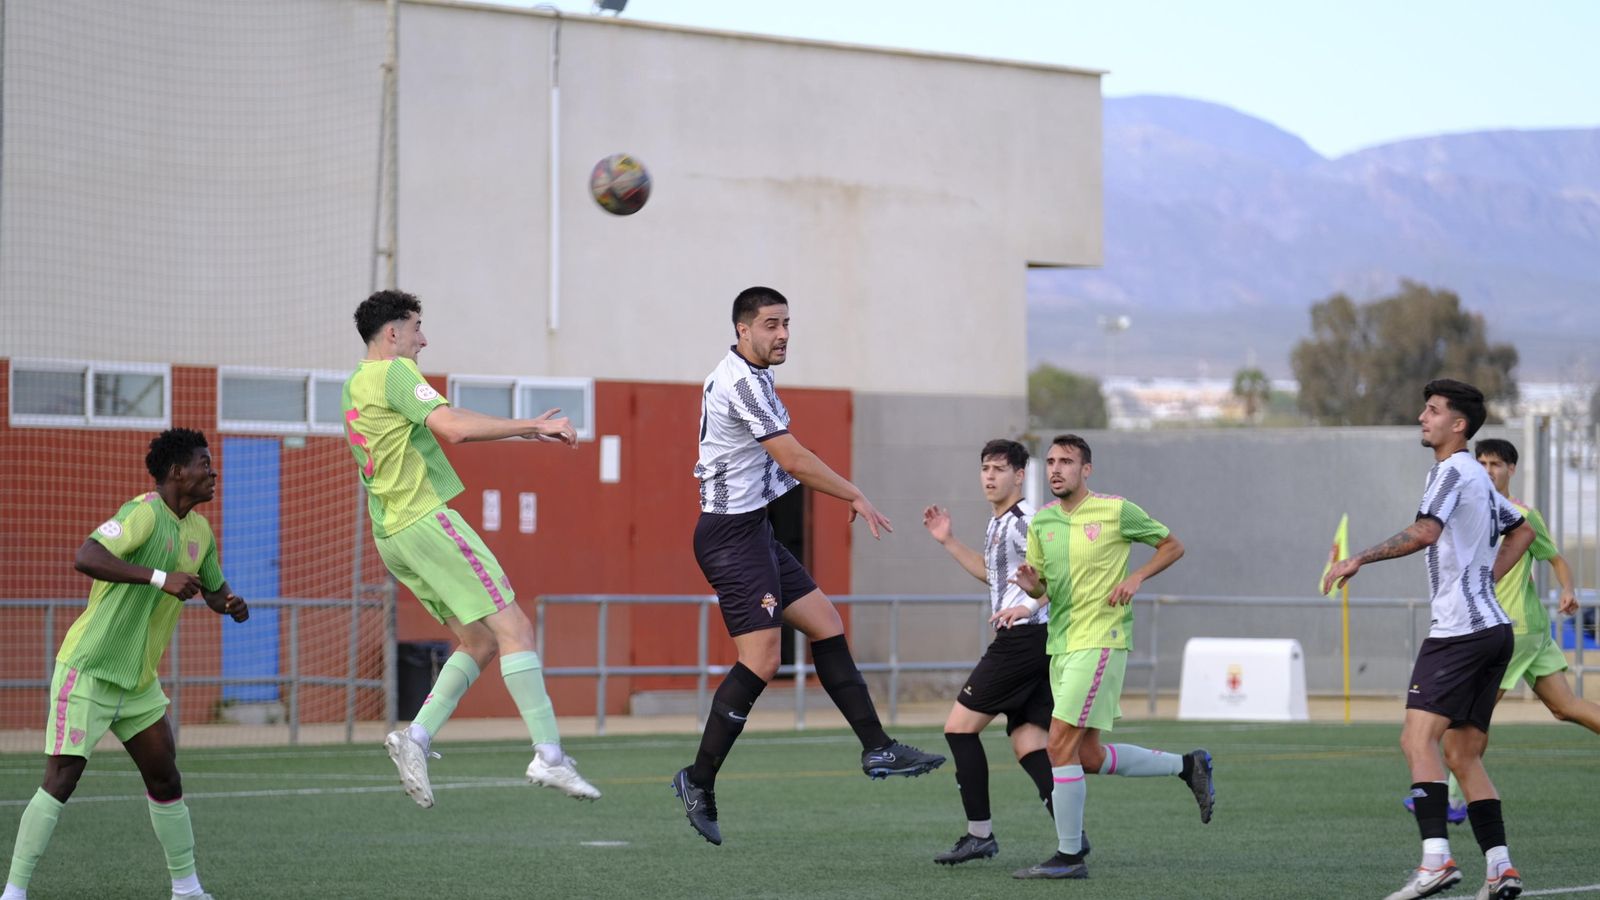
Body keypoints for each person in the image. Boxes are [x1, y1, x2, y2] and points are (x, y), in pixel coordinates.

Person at [672, 286, 944, 846]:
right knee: (763, 660)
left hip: (754, 531)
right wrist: (853, 494)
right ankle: (698, 781)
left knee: (826, 624)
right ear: (743, 329)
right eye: (771, 324)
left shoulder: (753, 373)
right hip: (730, 537)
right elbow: (791, 456)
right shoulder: (742, 381)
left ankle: (877, 747)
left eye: (787, 323)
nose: (783, 334)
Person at [343, 289, 599, 808]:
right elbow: (451, 428)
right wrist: (534, 425)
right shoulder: (393, 372)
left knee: (479, 641)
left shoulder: (356, 383)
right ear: (392, 333)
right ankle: (549, 756)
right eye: (417, 328)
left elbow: (438, 420)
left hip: (392, 534)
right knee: (516, 629)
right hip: (425, 520)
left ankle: (415, 738)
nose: (424, 339)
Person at [1, 428, 250, 900]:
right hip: (90, 669)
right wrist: (159, 578)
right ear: (177, 472)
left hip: (138, 683)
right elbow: (87, 555)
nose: (213, 472)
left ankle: (188, 889)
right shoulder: (142, 514)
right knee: (61, 779)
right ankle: (14, 891)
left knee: (165, 776)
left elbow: (213, 589)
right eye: (204, 463)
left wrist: (231, 604)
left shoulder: (200, 531)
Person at [1322, 380, 1534, 900]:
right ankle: (1501, 868)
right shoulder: (1479, 479)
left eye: (1433, 411)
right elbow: (1521, 529)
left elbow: (1425, 532)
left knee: (1417, 741)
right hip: (1494, 631)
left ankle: (1436, 860)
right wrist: (1486, 579)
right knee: (1463, 756)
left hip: (1460, 632)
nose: (1422, 416)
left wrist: (1357, 559)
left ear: (1457, 425)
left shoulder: (1450, 470)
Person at [1004, 434, 1210, 880]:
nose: (1057, 469)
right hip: (1061, 645)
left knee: (1057, 744)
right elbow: (1045, 588)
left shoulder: (1117, 510)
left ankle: (1069, 855)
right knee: (1088, 756)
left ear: (1086, 469)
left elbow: (1172, 545)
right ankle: (1188, 765)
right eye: (1052, 462)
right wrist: (1029, 588)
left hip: (1101, 640)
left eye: (1067, 462)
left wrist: (1136, 577)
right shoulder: (1042, 523)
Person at [1406, 438, 1600, 826]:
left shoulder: (1523, 514)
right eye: (1483, 463)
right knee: (1566, 707)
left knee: (1469, 717)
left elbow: (1555, 558)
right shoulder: (1474, 509)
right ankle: (1457, 797)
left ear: (1512, 469)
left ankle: (1456, 801)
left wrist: (1566, 588)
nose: (1489, 470)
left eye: (1496, 464)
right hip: (1519, 630)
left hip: (1510, 628)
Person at [922, 439, 1058, 865]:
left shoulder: (1028, 521)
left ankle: (979, 835)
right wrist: (947, 540)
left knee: (959, 729)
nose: (989, 476)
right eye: (985, 468)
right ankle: (1073, 836)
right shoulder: (998, 522)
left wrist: (1030, 606)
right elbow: (992, 575)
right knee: (1029, 742)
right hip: (1032, 642)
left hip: (1025, 639)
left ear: (1020, 475)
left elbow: (1059, 578)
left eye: (999, 469)